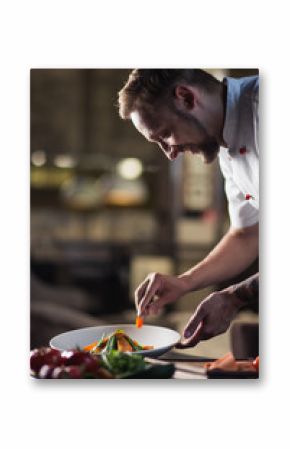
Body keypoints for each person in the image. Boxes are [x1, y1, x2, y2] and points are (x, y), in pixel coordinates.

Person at [117, 69, 259, 348]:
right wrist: (184, 282)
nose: (170, 153)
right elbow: (247, 234)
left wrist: (235, 297)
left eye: (166, 134)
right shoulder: (226, 145)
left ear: (185, 97)